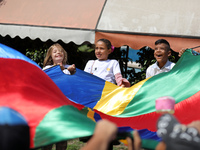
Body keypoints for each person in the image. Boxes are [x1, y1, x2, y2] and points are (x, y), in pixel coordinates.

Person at [42, 43, 76, 150]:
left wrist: (72, 72)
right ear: (50, 57)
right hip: (50, 107)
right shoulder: (47, 68)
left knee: (62, 137)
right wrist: (64, 70)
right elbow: (50, 77)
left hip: (64, 107)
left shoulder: (69, 68)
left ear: (64, 55)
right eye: (55, 51)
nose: (58, 53)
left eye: (60, 51)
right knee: (48, 137)